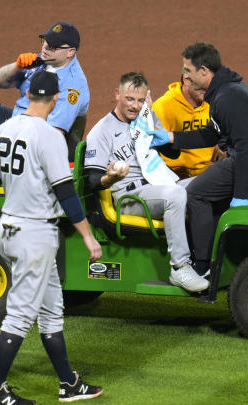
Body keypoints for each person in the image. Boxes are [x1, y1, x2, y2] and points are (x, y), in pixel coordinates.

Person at [0, 70, 103, 405]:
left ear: (28, 94)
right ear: (56, 99)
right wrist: (88, 238)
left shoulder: (3, 130)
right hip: (35, 236)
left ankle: (68, 384)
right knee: (19, 316)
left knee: (52, 310)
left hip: (8, 230)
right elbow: (66, 192)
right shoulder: (49, 136)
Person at [148, 42, 248, 276]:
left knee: (196, 193)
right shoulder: (225, 90)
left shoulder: (226, 98)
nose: (185, 76)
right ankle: (215, 257)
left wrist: (240, 195)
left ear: (204, 71)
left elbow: (245, 148)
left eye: (188, 70)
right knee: (211, 193)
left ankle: (202, 265)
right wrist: (171, 137)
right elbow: (210, 134)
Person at [84, 72, 209, 293]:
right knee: (176, 196)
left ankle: (207, 259)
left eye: (140, 100)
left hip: (157, 186)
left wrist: (153, 123)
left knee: (207, 183)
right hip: (129, 198)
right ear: (117, 95)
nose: (134, 106)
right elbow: (92, 180)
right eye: (129, 99)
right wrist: (110, 178)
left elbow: (172, 152)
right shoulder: (101, 131)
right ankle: (180, 267)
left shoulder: (146, 118)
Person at [0, 22, 89, 156]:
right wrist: (17, 66)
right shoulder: (43, 60)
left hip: (31, 139)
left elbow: (51, 135)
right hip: (17, 120)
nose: (46, 47)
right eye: (45, 41)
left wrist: (10, 135)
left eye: (54, 46)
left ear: (70, 52)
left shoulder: (73, 86)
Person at [151, 74, 225, 177]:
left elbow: (215, 145)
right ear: (186, 80)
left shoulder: (213, 105)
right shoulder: (162, 107)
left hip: (205, 173)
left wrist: (220, 154)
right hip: (172, 175)